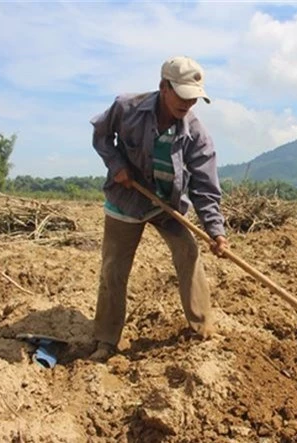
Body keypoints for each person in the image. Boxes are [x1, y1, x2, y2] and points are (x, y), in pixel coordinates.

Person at [89, 56, 227, 361]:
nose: (188, 104)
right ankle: (105, 340)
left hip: (168, 205)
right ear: (163, 87)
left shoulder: (196, 134)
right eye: (183, 95)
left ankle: (202, 330)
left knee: (189, 254)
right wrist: (117, 165)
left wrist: (215, 230)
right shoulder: (126, 108)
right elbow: (101, 136)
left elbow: (204, 188)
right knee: (114, 270)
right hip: (126, 199)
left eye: (194, 99)